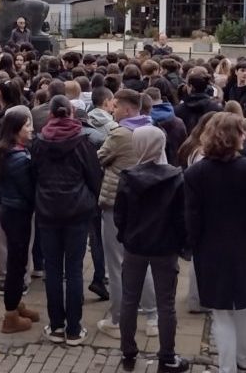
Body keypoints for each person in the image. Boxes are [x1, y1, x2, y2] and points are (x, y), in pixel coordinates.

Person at [185, 113, 246, 373]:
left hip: (211, 249)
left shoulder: (196, 173)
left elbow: (192, 217)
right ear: (237, 136)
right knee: (245, 306)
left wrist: (193, 244)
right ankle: (242, 359)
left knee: (220, 312)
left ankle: (227, 367)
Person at [115, 126, 190, 373]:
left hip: (135, 246)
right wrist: (181, 243)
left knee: (129, 299)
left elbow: (120, 214)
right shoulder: (176, 177)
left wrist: (125, 235)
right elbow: (182, 217)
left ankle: (127, 349)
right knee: (165, 303)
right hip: (165, 247)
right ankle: (167, 355)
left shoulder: (128, 176)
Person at [31, 95, 103, 346]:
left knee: (52, 270)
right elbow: (94, 177)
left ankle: (57, 325)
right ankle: (74, 327)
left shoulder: (39, 142)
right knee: (73, 270)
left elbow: (34, 175)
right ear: (71, 113)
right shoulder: (83, 143)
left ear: (50, 114)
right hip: (77, 211)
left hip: (48, 211)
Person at [97, 89, 159, 339]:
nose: (113, 110)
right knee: (143, 259)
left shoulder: (121, 134)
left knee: (117, 262)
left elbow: (100, 157)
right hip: (145, 204)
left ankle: (118, 319)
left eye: (116, 106)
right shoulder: (154, 131)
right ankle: (153, 315)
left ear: (126, 109)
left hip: (117, 202)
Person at [0, 109, 41, 333]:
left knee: (17, 261)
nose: (31, 129)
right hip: (17, 212)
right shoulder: (18, 159)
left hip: (11, 210)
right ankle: (10, 316)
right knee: (16, 264)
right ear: (15, 130)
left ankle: (16, 303)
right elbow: (29, 190)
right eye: (27, 126)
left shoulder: (6, 151)